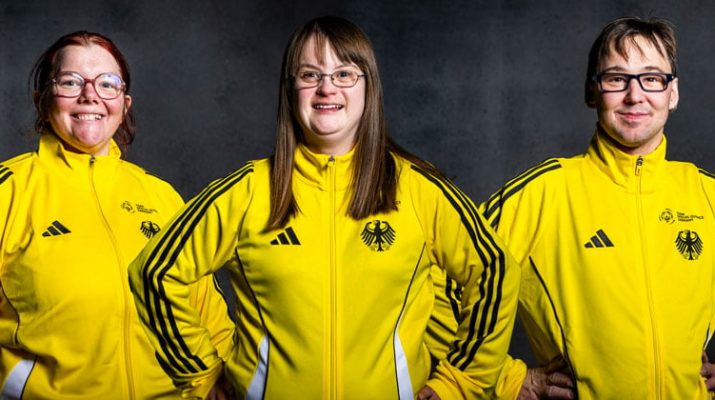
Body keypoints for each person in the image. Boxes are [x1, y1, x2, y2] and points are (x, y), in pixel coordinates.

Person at [128, 16, 520, 399]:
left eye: (344, 74)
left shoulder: (419, 189)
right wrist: (201, 375)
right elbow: (154, 272)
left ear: (368, 87)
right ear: (290, 89)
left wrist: (459, 382)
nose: (326, 88)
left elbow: (495, 269)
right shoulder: (246, 191)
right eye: (310, 75)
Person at [475, 16, 715, 398]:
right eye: (616, 79)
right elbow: (434, 283)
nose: (635, 95)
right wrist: (507, 378)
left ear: (672, 93)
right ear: (592, 92)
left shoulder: (706, 194)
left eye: (652, 78)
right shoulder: (543, 193)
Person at [0, 31, 234, 398]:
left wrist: (222, 379)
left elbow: (206, 308)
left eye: (107, 83)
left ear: (124, 105)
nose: (90, 95)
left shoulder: (160, 196)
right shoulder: (9, 191)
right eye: (70, 81)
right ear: (41, 100)